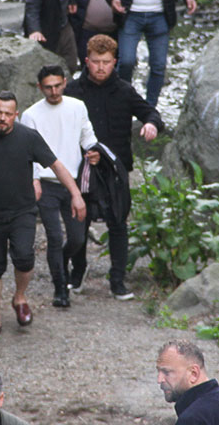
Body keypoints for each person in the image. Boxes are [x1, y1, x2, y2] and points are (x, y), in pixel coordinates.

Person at [0, 91, 85, 335]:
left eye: (8, 114)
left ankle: (19, 297)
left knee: (24, 257)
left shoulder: (29, 138)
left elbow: (56, 165)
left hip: (22, 211)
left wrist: (76, 195)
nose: (3, 118)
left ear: (16, 115)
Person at [64, 35, 164, 300]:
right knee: (79, 222)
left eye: (106, 62)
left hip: (116, 170)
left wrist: (151, 124)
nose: (100, 67)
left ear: (115, 62)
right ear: (86, 61)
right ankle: (77, 272)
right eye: (95, 62)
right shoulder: (72, 92)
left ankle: (118, 279)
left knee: (118, 223)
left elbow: (151, 113)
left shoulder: (124, 90)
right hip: (82, 167)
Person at [21, 64, 99, 308]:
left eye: (57, 86)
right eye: (48, 87)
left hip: (73, 182)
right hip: (46, 183)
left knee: (77, 238)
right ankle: (60, 288)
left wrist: (94, 152)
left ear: (65, 82)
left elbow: (87, 135)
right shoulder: (31, 114)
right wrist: (34, 179)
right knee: (54, 236)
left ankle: (62, 262)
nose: (53, 91)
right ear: (39, 87)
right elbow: (28, 152)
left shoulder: (77, 107)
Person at [156, 339, 219, 425]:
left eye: (166, 372)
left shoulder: (193, 418)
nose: (159, 379)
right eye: (159, 372)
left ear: (193, 373)